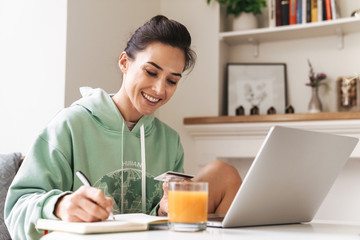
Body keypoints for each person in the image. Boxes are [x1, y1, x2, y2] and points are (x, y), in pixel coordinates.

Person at [4, 15, 241, 240]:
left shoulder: (169, 141)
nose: (159, 89)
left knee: (223, 173)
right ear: (124, 62)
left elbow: (157, 221)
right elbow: (17, 208)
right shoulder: (69, 125)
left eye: (171, 80)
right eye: (151, 72)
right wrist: (60, 205)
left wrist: (163, 210)